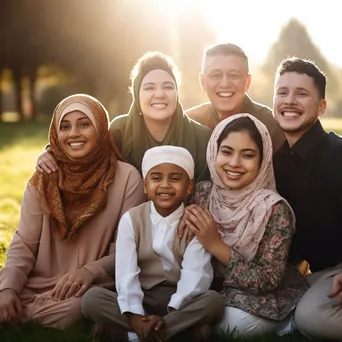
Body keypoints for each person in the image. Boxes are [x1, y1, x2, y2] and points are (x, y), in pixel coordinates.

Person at [0, 94, 145, 328]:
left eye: (84, 124)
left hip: (91, 285)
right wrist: (7, 289)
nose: (74, 133)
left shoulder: (127, 178)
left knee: (81, 307)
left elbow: (127, 250)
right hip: (37, 283)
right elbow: (24, 244)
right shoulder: (43, 179)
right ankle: (17, 309)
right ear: (55, 134)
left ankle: (19, 317)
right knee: (6, 291)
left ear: (100, 128)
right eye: (65, 126)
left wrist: (90, 272)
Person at [181, 113, 307, 337]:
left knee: (230, 323)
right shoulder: (202, 194)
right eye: (226, 152)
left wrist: (215, 244)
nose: (234, 163)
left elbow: (267, 280)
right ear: (214, 152)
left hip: (255, 296)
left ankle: (286, 321)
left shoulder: (274, 210)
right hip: (206, 289)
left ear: (262, 159)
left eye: (247, 155)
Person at [82, 146, 225, 342]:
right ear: (145, 186)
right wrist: (135, 316)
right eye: (156, 178)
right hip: (142, 295)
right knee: (92, 300)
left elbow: (195, 275)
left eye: (175, 178)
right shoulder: (131, 219)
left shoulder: (194, 222)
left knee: (213, 302)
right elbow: (126, 274)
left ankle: (140, 333)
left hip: (180, 300)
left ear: (189, 186)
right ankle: (168, 331)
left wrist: (174, 309)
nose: (165, 185)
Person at [36, 52, 211, 183]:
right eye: (149, 88)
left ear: (177, 92)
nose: (159, 94)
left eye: (168, 87)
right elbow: (86, 153)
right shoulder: (120, 129)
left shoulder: (202, 137)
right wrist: (50, 153)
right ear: (136, 93)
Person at [272, 57, 342, 340]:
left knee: (310, 317)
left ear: (322, 106)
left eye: (302, 94)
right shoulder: (277, 160)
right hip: (325, 271)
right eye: (282, 92)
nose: (290, 101)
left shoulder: (336, 155)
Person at [185, 43, 285, 152]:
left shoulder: (271, 127)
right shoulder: (188, 124)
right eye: (216, 75)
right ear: (203, 82)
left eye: (233, 75)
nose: (224, 84)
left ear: (247, 82)